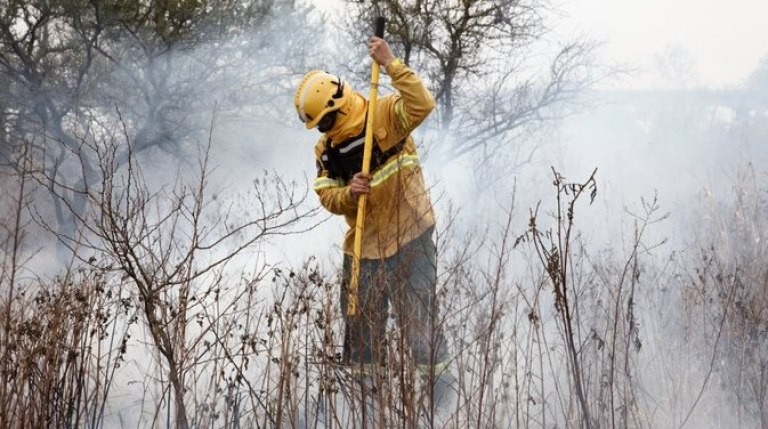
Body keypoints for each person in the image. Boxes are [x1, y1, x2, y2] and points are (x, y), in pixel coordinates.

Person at [294, 36, 454, 415]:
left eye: (327, 121)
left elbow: (422, 104)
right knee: (361, 340)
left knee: (420, 330)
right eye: (319, 127)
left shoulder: (383, 114)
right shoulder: (326, 152)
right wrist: (349, 194)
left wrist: (391, 62)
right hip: (363, 249)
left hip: (411, 236)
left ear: (338, 104)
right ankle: (366, 414)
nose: (325, 131)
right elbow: (326, 196)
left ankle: (445, 410)